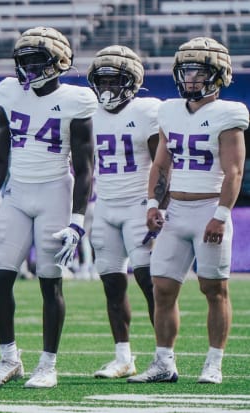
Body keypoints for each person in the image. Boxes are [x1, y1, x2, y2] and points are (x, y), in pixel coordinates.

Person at [0, 26, 97, 388]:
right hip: (17, 192)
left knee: (50, 281)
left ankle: (48, 364)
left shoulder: (76, 100)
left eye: (35, 61)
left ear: (59, 63)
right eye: (23, 61)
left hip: (55, 192)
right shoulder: (9, 93)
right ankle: (10, 358)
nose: (27, 69)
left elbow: (85, 165)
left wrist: (77, 220)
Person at [128, 37, 248, 384]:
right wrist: (153, 203)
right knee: (162, 288)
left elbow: (234, 171)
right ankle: (164, 362)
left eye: (200, 71)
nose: (192, 78)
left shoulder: (229, 114)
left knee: (214, 289)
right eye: (187, 71)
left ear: (219, 75)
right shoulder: (169, 110)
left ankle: (214, 362)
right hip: (176, 210)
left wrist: (221, 215)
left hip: (210, 207)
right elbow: (161, 163)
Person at [85, 45, 160, 378]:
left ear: (131, 81)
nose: (107, 89)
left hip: (138, 205)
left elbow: (163, 165)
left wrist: (158, 206)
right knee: (112, 286)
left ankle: (164, 356)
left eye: (115, 81)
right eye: (102, 82)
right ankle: (123, 356)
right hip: (105, 206)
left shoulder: (148, 110)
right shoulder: (89, 112)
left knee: (149, 282)